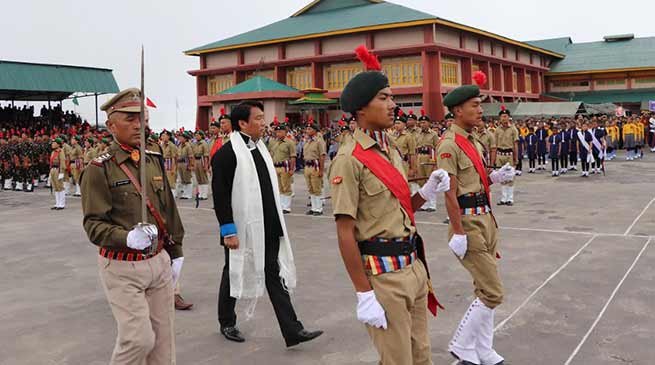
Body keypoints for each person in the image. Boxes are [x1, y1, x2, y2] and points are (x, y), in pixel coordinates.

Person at [330, 45, 449, 365]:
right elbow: (345, 232)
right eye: (383, 98)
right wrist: (363, 293)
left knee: (421, 356)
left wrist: (426, 191)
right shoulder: (349, 160)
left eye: (391, 97)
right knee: (398, 361)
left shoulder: (391, 149)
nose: (393, 105)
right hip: (384, 277)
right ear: (360, 109)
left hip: (413, 267)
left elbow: (398, 207)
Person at [80, 88, 185, 364]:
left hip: (158, 261)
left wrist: (177, 250)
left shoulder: (153, 158)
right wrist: (126, 237)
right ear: (112, 125)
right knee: (138, 340)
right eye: (130, 118)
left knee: (163, 345)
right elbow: (93, 225)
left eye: (142, 117)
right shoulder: (99, 169)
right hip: (122, 266)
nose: (139, 124)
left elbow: (168, 206)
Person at [212, 100, 323, 347]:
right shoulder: (226, 155)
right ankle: (226, 321)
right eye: (259, 118)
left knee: (274, 274)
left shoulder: (261, 148)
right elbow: (220, 197)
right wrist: (228, 230)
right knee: (233, 271)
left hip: (268, 224)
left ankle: (292, 330)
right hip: (241, 227)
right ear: (242, 123)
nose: (265, 123)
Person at [438, 82, 515, 365]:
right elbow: (449, 192)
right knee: (493, 291)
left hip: (486, 219)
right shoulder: (449, 144)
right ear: (458, 110)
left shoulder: (473, 140)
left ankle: (484, 349)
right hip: (468, 223)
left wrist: (496, 176)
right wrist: (458, 231)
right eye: (475, 105)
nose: (481, 110)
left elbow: (478, 179)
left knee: (484, 289)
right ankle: (460, 344)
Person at [267, 117, 296, 214]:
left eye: (280, 131)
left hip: (285, 167)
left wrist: (292, 169)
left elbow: (293, 156)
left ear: (285, 132)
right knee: (279, 187)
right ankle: (281, 205)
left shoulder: (289, 142)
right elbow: (271, 154)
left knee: (286, 187)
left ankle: (286, 207)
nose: (278, 133)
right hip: (276, 167)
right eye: (277, 132)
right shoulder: (273, 142)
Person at [492, 108, 518, 206]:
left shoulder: (513, 129)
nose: (503, 118)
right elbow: (494, 145)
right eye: (502, 116)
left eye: (505, 116)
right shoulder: (497, 130)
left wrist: (516, 157)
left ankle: (510, 198)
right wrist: (493, 159)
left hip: (509, 155)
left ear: (508, 117)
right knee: (501, 177)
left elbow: (515, 144)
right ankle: (503, 198)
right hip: (500, 155)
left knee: (510, 176)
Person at [415, 109, 439, 212]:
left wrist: (436, 163)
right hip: (420, 157)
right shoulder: (418, 134)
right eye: (420, 122)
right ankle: (424, 203)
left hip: (430, 158)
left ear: (429, 123)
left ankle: (432, 204)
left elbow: (437, 148)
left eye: (424, 122)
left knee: (430, 181)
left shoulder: (433, 134)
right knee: (421, 181)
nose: (422, 124)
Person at [303, 120, 327, 215]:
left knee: (317, 188)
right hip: (307, 166)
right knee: (311, 188)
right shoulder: (307, 141)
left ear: (315, 130)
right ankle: (313, 207)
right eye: (307, 129)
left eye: (309, 129)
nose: (307, 130)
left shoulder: (319, 141)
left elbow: (322, 156)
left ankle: (319, 208)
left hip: (315, 166)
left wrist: (321, 170)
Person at [49, 137, 67, 210]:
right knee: (55, 186)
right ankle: (57, 203)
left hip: (58, 170)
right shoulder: (53, 152)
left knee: (60, 186)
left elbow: (62, 162)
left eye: (54, 143)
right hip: (53, 169)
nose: (52, 144)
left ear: (58, 144)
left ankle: (62, 204)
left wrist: (61, 173)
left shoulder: (61, 151)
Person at [176, 131, 195, 199]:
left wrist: (191, 165)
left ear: (185, 138)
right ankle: (184, 193)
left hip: (186, 163)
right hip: (180, 163)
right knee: (183, 179)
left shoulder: (188, 146)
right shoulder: (179, 145)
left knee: (188, 179)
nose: (180, 138)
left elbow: (191, 156)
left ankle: (188, 194)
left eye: (182, 137)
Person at [160, 130, 178, 197]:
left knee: (171, 181)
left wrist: (173, 169)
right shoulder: (162, 145)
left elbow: (174, 158)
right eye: (162, 136)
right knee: (165, 180)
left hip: (170, 164)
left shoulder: (171, 145)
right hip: (164, 163)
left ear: (168, 137)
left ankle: (172, 195)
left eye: (164, 136)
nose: (162, 137)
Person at [193, 130, 210, 200]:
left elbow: (206, 155)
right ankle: (200, 193)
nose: (196, 136)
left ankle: (204, 194)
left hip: (202, 160)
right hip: (196, 160)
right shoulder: (195, 143)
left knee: (203, 177)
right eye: (195, 135)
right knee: (198, 177)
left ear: (201, 136)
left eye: (198, 135)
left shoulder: (204, 143)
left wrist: (206, 165)